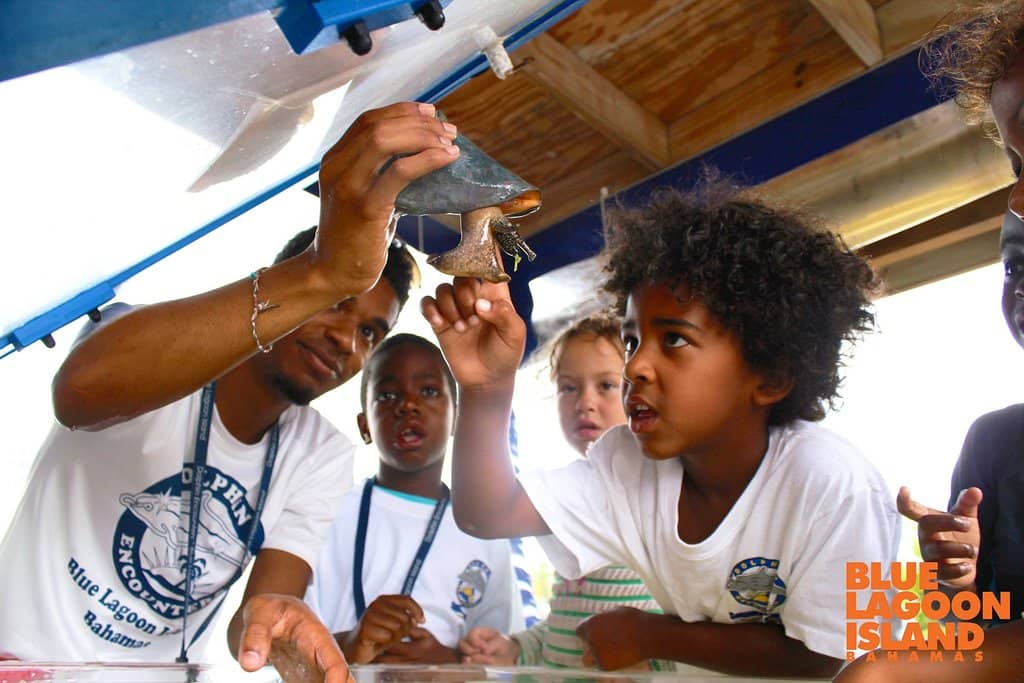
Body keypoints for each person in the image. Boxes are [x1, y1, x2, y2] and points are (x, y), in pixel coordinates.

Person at [0, 101, 460, 681]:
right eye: (338, 305)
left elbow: (255, 621)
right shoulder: (162, 355)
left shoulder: (321, 455)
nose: (348, 338)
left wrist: (283, 624)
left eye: (371, 331)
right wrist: (323, 271)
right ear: (285, 284)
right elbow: (77, 393)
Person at [422, 179, 900, 678]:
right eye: (632, 341)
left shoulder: (834, 486)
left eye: (673, 339)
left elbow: (827, 655)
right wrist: (488, 389)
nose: (635, 368)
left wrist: (651, 635)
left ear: (771, 374)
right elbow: (488, 514)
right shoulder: (628, 466)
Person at [838, 3, 1024, 679]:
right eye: (1015, 165)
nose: (1019, 206)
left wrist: (891, 667)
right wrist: (958, 587)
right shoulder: (996, 446)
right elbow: (968, 636)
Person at [457, 314, 671, 671]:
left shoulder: (653, 498)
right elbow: (566, 627)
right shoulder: (573, 501)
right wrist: (517, 648)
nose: (584, 402)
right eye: (569, 387)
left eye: (606, 385)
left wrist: (648, 668)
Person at [305, 333, 523, 664]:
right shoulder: (328, 510)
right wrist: (349, 644)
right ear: (364, 426)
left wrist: (448, 665)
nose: (407, 405)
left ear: (457, 417)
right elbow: (281, 643)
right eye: (387, 395)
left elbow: (497, 658)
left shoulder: (483, 530)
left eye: (429, 391)